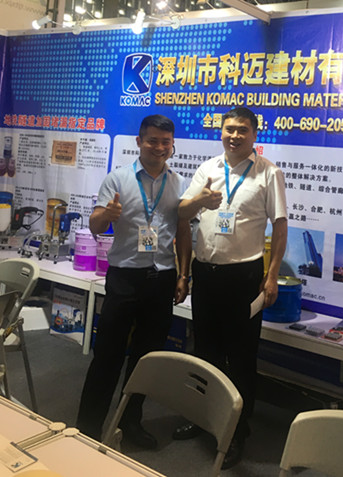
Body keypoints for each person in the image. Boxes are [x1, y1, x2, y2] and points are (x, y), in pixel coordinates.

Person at [174, 107, 287, 468]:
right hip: (206, 274)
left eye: (242, 130)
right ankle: (202, 417)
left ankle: (236, 432)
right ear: (221, 131)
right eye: (229, 129)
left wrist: (272, 275)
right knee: (205, 350)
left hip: (244, 278)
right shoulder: (208, 168)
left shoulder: (268, 173)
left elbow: (280, 227)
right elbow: (182, 211)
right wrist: (201, 201)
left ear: (254, 134)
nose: (234, 136)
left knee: (240, 357)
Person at [76, 114, 191, 449]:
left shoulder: (178, 183)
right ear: (139, 142)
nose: (159, 147)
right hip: (124, 277)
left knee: (146, 359)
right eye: (152, 140)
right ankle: (87, 427)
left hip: (162, 278)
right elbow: (96, 225)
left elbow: (183, 231)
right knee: (108, 355)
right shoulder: (118, 179)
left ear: (172, 145)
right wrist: (106, 216)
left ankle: (131, 421)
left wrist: (183, 274)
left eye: (165, 142)